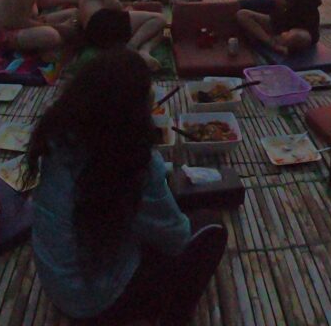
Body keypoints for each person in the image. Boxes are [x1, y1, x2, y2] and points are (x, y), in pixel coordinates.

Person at [24, 49, 227, 324]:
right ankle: (171, 314)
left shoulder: (58, 137)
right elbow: (176, 239)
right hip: (99, 302)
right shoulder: (133, 163)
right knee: (211, 226)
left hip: (58, 282)